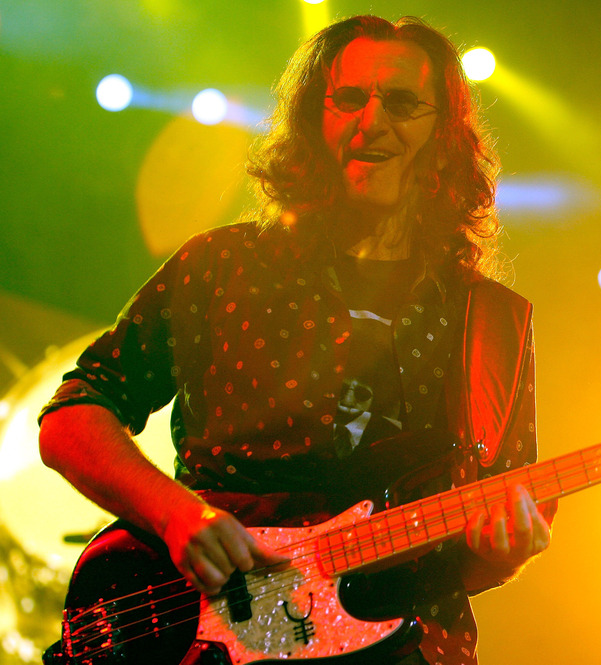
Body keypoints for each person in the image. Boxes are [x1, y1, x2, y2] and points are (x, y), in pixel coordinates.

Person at [38, 15, 553, 665]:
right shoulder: (219, 267)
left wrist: (500, 554)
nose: (372, 120)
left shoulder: (493, 321)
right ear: (315, 119)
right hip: (202, 636)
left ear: (443, 134)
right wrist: (175, 515)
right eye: (348, 99)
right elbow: (70, 417)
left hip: (405, 644)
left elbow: (486, 528)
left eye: (401, 101)